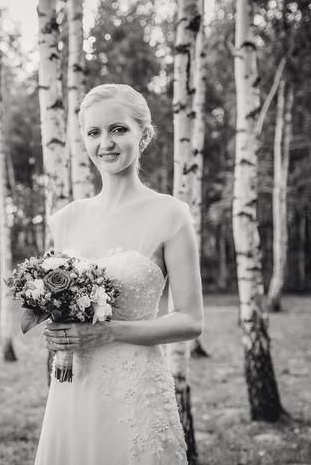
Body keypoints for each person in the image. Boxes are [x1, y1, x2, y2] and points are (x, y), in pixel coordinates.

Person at [34, 84, 204, 464]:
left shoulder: (170, 214)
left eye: (118, 129)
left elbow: (191, 320)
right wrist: (56, 327)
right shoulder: (66, 220)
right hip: (74, 387)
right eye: (94, 132)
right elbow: (61, 305)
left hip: (136, 390)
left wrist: (107, 332)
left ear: (143, 134)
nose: (105, 143)